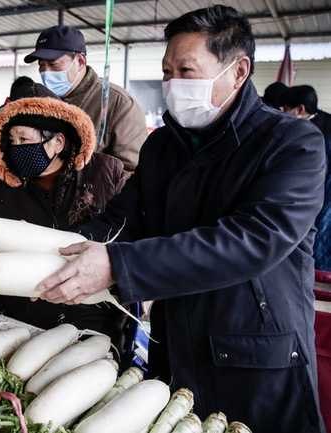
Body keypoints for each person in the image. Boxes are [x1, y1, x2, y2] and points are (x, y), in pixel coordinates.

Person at [35, 6, 326, 433]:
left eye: (186, 71)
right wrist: (59, 250)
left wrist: (119, 264)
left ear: (238, 70)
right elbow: (124, 220)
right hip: (177, 343)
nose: (172, 85)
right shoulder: (163, 148)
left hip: (255, 353)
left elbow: (254, 240)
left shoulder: (291, 144)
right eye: (167, 72)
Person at [0, 95, 128, 350]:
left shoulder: (105, 173)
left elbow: (130, 230)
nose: (16, 148)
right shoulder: (0, 186)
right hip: (25, 315)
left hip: (94, 313)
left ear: (58, 141)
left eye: (24, 139)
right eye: (12, 141)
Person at [24, 25, 147, 177]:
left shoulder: (118, 105)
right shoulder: (42, 103)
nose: (45, 73)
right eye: (41, 65)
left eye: (53, 64)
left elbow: (132, 173)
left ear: (80, 61)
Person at [283, 85, 331, 272]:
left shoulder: (307, 133)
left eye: (286, 109)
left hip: (323, 193)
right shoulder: (325, 121)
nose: (283, 114)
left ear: (300, 109)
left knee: (319, 235)